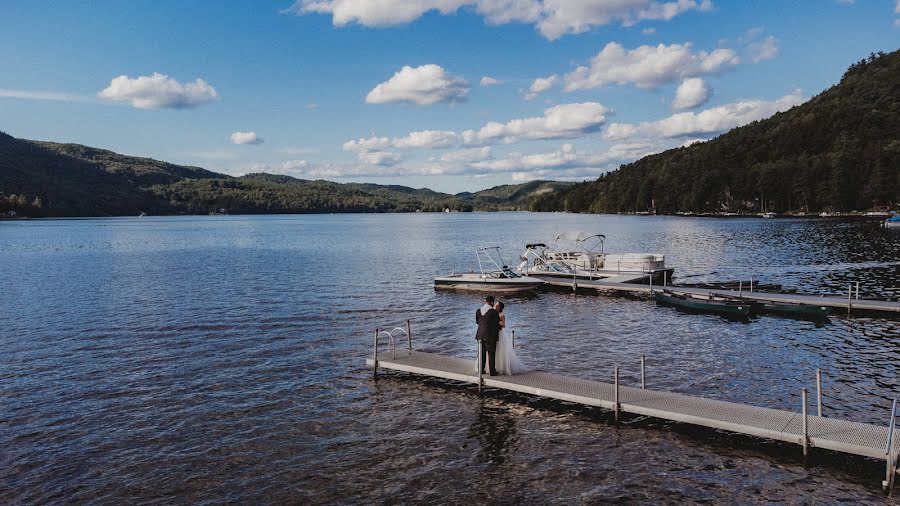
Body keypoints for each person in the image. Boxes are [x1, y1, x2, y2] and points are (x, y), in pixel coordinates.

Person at [493, 301, 527, 375]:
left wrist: (497, 322)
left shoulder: (501, 315)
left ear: (499, 307)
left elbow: (504, 325)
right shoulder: (493, 313)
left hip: (500, 333)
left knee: (501, 349)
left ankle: (502, 367)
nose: (495, 305)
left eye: (497, 304)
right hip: (494, 333)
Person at [475, 295, 500, 376]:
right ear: (492, 302)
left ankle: (481, 370)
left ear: (485, 302)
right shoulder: (494, 312)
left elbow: (478, 322)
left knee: (481, 354)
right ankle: (492, 371)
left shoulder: (478, 311)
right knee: (491, 354)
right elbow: (496, 324)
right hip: (490, 336)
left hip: (480, 335)